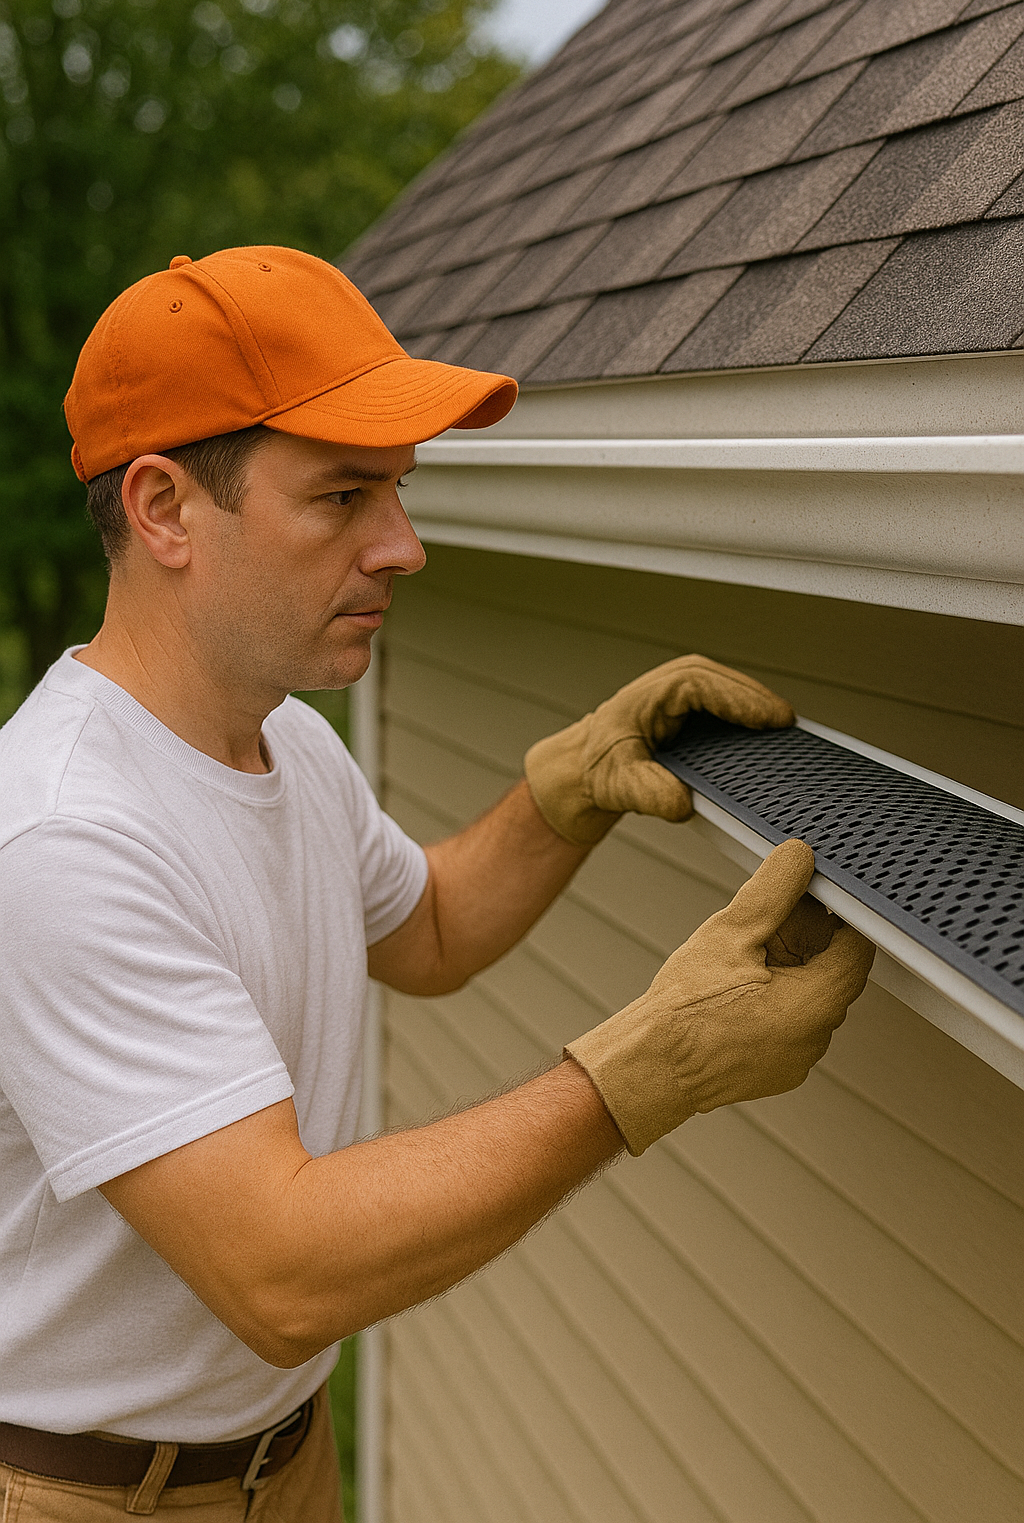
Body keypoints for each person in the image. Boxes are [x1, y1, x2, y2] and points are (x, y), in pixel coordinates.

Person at [0, 246, 874, 1520]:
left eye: (397, 493)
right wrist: (650, 1065)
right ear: (164, 509)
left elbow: (430, 930)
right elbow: (284, 1270)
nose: (402, 547)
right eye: (344, 498)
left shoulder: (282, 732)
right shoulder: (66, 838)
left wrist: (561, 794)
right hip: (90, 1496)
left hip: (282, 1459)